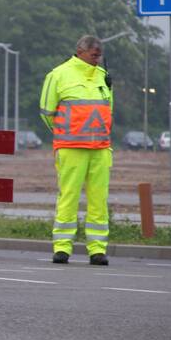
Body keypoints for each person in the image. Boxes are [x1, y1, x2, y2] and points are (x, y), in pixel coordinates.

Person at [39, 35, 113, 266]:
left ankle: (97, 250)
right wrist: (64, 133)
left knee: (99, 200)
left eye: (99, 54)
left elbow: (108, 109)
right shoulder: (58, 75)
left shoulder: (103, 76)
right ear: (80, 51)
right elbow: (46, 112)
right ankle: (62, 248)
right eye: (94, 54)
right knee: (68, 197)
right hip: (70, 148)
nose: (98, 58)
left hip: (100, 148)